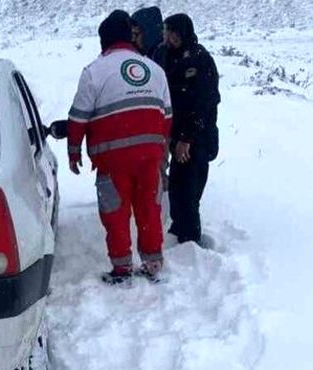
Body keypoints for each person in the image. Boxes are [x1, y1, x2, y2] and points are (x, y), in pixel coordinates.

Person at [67, 10, 172, 285]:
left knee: (116, 213)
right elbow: (167, 116)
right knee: (149, 208)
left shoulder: (94, 72)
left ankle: (122, 268)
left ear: (104, 41)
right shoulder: (155, 70)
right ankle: (152, 262)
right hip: (150, 156)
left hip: (113, 159)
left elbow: (78, 117)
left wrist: (74, 150)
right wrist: (160, 152)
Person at [156, 14, 221, 246]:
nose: (165, 35)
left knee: (190, 190)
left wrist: (187, 137)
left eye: (169, 31)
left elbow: (205, 103)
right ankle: (178, 228)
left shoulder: (200, 59)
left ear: (179, 33)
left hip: (197, 137)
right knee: (176, 187)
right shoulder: (163, 55)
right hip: (174, 133)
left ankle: (191, 240)